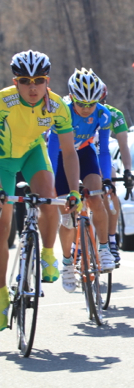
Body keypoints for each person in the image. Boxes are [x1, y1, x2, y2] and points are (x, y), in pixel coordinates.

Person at [0, 51, 81, 331]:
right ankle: (0, 298)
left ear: (47, 80)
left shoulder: (57, 105)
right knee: (3, 225)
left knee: (49, 198)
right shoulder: (3, 102)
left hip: (33, 153)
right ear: (16, 81)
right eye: (25, 81)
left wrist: (74, 191)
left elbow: (69, 153)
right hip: (3, 161)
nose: (32, 88)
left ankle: (47, 254)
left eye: (39, 80)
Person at [48, 68, 116, 292]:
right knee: (67, 216)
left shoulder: (103, 114)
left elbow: (104, 150)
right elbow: (52, 149)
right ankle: (68, 263)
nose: (87, 109)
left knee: (97, 197)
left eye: (91, 103)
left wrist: (106, 179)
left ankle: (105, 249)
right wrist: (51, 181)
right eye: (81, 103)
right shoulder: (63, 112)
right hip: (60, 156)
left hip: (86, 154)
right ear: (71, 97)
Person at [98, 83, 134, 266]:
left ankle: (111, 239)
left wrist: (127, 171)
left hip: (102, 154)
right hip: (79, 153)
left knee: (110, 191)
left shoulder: (114, 114)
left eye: (100, 101)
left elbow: (123, 146)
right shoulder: (72, 111)